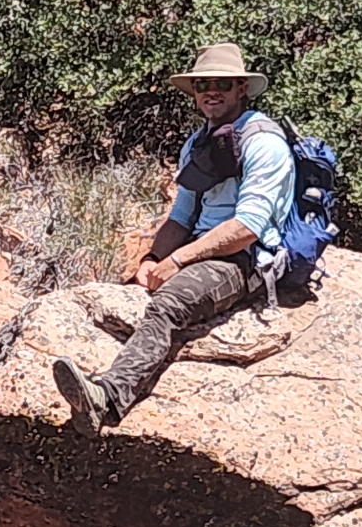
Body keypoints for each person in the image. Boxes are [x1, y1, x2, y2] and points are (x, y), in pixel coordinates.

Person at [53, 43, 297, 431]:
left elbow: (246, 228)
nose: (211, 91)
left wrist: (179, 261)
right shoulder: (197, 143)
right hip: (201, 245)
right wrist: (150, 261)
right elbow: (181, 217)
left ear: (241, 88)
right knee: (131, 293)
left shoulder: (264, 142)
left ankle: (108, 398)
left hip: (244, 258)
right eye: (202, 84)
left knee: (169, 304)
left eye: (221, 83)